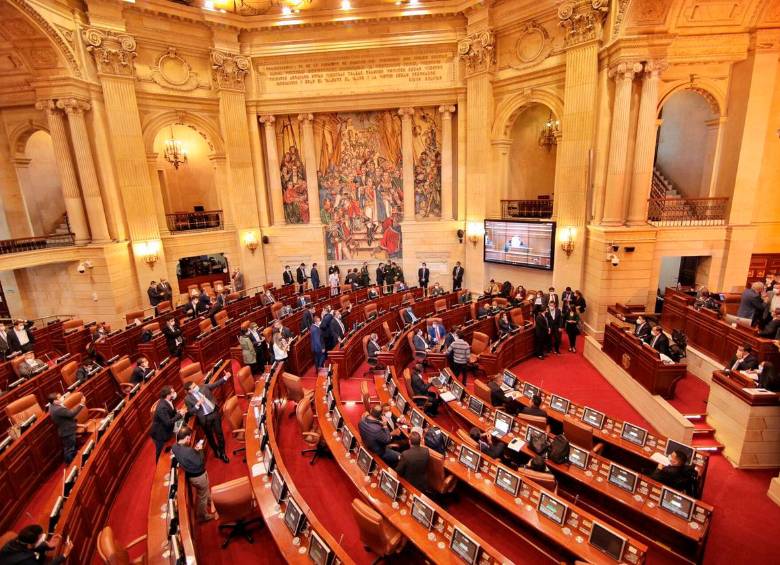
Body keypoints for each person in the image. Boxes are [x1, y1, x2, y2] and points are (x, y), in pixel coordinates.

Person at [184, 374, 232, 463]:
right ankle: (216, 450)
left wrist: (225, 377)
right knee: (210, 437)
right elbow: (190, 412)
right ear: (189, 391)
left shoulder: (203, 387)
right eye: (193, 387)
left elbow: (215, 384)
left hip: (214, 413)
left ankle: (222, 452)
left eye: (195, 385)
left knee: (219, 434)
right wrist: (197, 405)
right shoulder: (187, 399)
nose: (196, 387)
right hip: (204, 419)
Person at [171, 426, 215, 522]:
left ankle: (210, 501)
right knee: (202, 495)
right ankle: (202, 516)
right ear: (187, 438)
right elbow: (201, 462)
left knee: (204, 491)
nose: (190, 439)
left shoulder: (174, 447)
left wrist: (194, 451)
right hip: (199, 476)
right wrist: (199, 450)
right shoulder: (189, 451)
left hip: (191, 475)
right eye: (189, 438)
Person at [0, 524, 71, 565]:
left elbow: (31, 547)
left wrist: (47, 546)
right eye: (40, 540)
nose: (43, 540)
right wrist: (64, 555)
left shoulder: (17, 540)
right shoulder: (27, 561)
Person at [149, 386, 185, 461]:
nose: (175, 393)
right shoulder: (162, 407)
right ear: (168, 395)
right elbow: (168, 422)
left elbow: (172, 411)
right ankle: (157, 468)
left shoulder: (168, 400)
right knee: (159, 453)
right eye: (173, 392)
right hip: (159, 433)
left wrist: (178, 412)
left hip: (165, 428)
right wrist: (180, 415)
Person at [48, 392, 85, 464]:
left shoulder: (52, 406)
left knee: (69, 448)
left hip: (65, 430)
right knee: (70, 450)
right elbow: (71, 414)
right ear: (55, 401)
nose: (62, 398)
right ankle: (72, 464)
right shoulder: (58, 409)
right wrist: (81, 404)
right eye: (59, 397)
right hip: (67, 432)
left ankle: (73, 462)